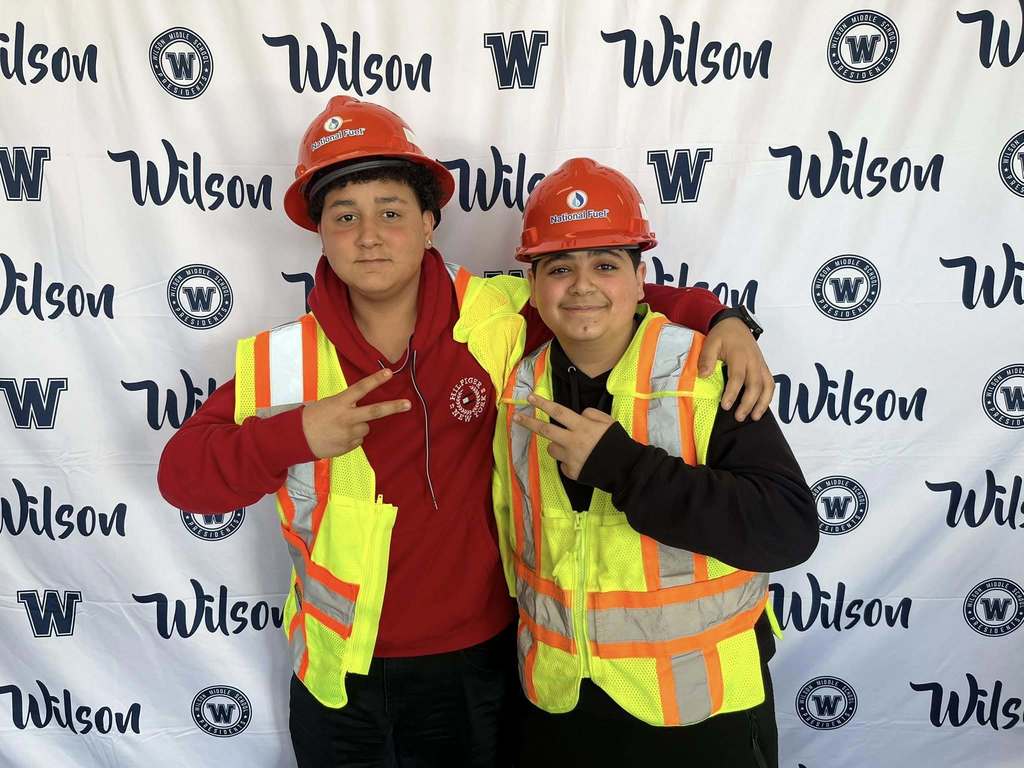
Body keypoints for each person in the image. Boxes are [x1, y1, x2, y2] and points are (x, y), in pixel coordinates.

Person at [157, 97, 774, 767]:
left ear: (429, 224)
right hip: (337, 679)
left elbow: (599, 290)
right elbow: (182, 476)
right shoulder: (283, 362)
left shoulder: (499, 316)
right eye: (345, 217)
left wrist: (721, 318)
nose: (368, 235)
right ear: (321, 234)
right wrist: (293, 435)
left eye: (390, 213)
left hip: (475, 670)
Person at [492, 158, 819, 767]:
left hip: (699, 716)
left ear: (641, 279)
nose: (583, 285)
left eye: (607, 266)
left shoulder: (705, 371)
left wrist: (627, 468)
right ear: (533, 288)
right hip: (562, 706)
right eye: (560, 268)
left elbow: (788, 529)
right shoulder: (517, 383)